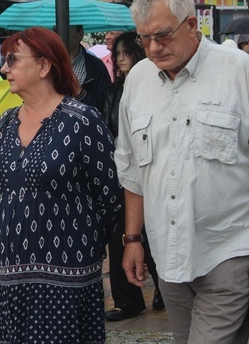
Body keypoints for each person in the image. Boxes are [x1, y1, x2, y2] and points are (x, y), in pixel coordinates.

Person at [116, 0, 249, 344]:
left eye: (163, 35)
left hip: (231, 249)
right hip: (168, 255)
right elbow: (133, 169)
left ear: (191, 24)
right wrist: (133, 238)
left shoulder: (237, 71)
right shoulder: (137, 81)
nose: (153, 48)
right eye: (144, 39)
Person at [0, 26, 122, 343]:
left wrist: (96, 249)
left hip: (66, 278)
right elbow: (5, 198)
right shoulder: (7, 121)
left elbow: (111, 197)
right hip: (13, 277)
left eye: (13, 60)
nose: (4, 70)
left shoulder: (83, 120)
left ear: (44, 65)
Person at [102, 32, 163, 322]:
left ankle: (165, 286)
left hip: (151, 171)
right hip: (121, 171)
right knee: (121, 236)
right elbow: (107, 128)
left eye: (126, 53)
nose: (120, 58)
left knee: (151, 231)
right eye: (117, 54)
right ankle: (127, 300)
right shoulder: (114, 91)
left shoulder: (153, 84)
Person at [68, 25, 111, 111]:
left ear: (80, 34)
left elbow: (104, 109)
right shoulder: (46, 66)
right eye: (56, 30)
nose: (59, 35)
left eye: (66, 29)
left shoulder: (96, 67)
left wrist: (80, 93)